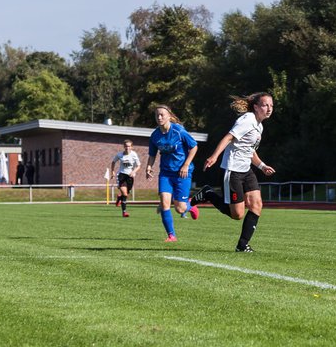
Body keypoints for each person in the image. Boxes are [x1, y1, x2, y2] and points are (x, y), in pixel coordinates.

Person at [194, 92, 275, 252]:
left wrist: (262, 166)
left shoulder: (259, 126)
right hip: (232, 170)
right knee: (237, 214)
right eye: (266, 105)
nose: (269, 109)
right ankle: (208, 194)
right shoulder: (247, 120)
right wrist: (214, 156)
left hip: (246, 170)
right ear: (256, 107)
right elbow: (228, 138)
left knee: (256, 205)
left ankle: (242, 245)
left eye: (271, 106)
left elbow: (249, 150)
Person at [145, 105, 199, 242]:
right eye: (157, 115)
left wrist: (186, 165)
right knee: (164, 203)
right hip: (166, 173)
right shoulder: (155, 135)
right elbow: (152, 154)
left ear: (169, 116)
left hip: (182, 173)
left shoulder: (179, 131)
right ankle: (171, 235)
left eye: (162, 115)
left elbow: (194, 147)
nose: (159, 117)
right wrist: (149, 167)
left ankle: (190, 206)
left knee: (180, 209)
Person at [108, 139, 141, 217]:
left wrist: (134, 172)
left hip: (130, 176)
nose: (127, 148)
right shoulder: (120, 155)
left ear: (132, 147)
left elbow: (139, 165)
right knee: (125, 194)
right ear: (124, 146)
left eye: (129, 146)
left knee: (126, 194)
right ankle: (124, 212)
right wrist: (112, 171)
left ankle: (119, 198)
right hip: (121, 175)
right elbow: (113, 162)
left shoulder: (134, 154)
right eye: (126, 146)